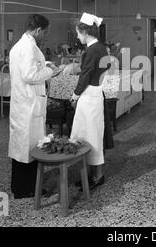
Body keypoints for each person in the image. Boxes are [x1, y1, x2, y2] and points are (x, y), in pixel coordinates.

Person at [8, 14, 62, 199]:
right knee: (27, 147)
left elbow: (30, 67)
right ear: (38, 30)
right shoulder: (28, 48)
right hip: (27, 105)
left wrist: (45, 64)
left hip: (24, 103)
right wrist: (51, 71)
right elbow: (30, 76)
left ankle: (25, 185)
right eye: (45, 32)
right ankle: (25, 189)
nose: (44, 36)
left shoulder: (21, 46)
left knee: (24, 146)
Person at [70, 12, 113, 190]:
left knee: (91, 136)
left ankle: (98, 176)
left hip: (89, 96)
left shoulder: (92, 50)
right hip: (95, 94)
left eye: (78, 33)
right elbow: (106, 66)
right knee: (92, 134)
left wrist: (74, 95)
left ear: (86, 32)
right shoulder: (101, 48)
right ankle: (92, 173)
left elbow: (85, 76)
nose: (78, 36)